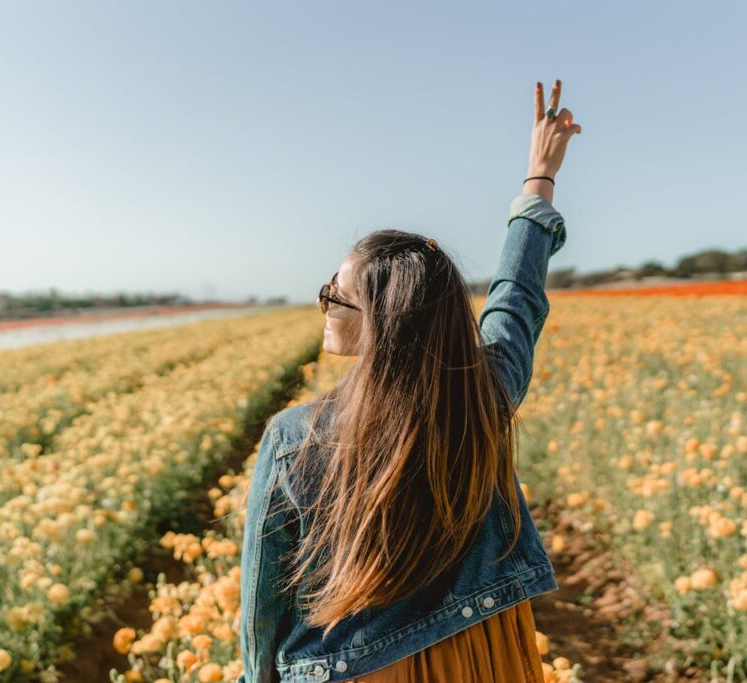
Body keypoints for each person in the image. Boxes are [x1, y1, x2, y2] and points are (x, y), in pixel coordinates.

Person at [239, 79, 582, 683]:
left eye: (334, 296)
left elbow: (263, 612)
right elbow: (515, 300)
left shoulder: (296, 438)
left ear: (383, 320)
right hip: (482, 652)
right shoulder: (483, 397)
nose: (323, 305)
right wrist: (539, 177)